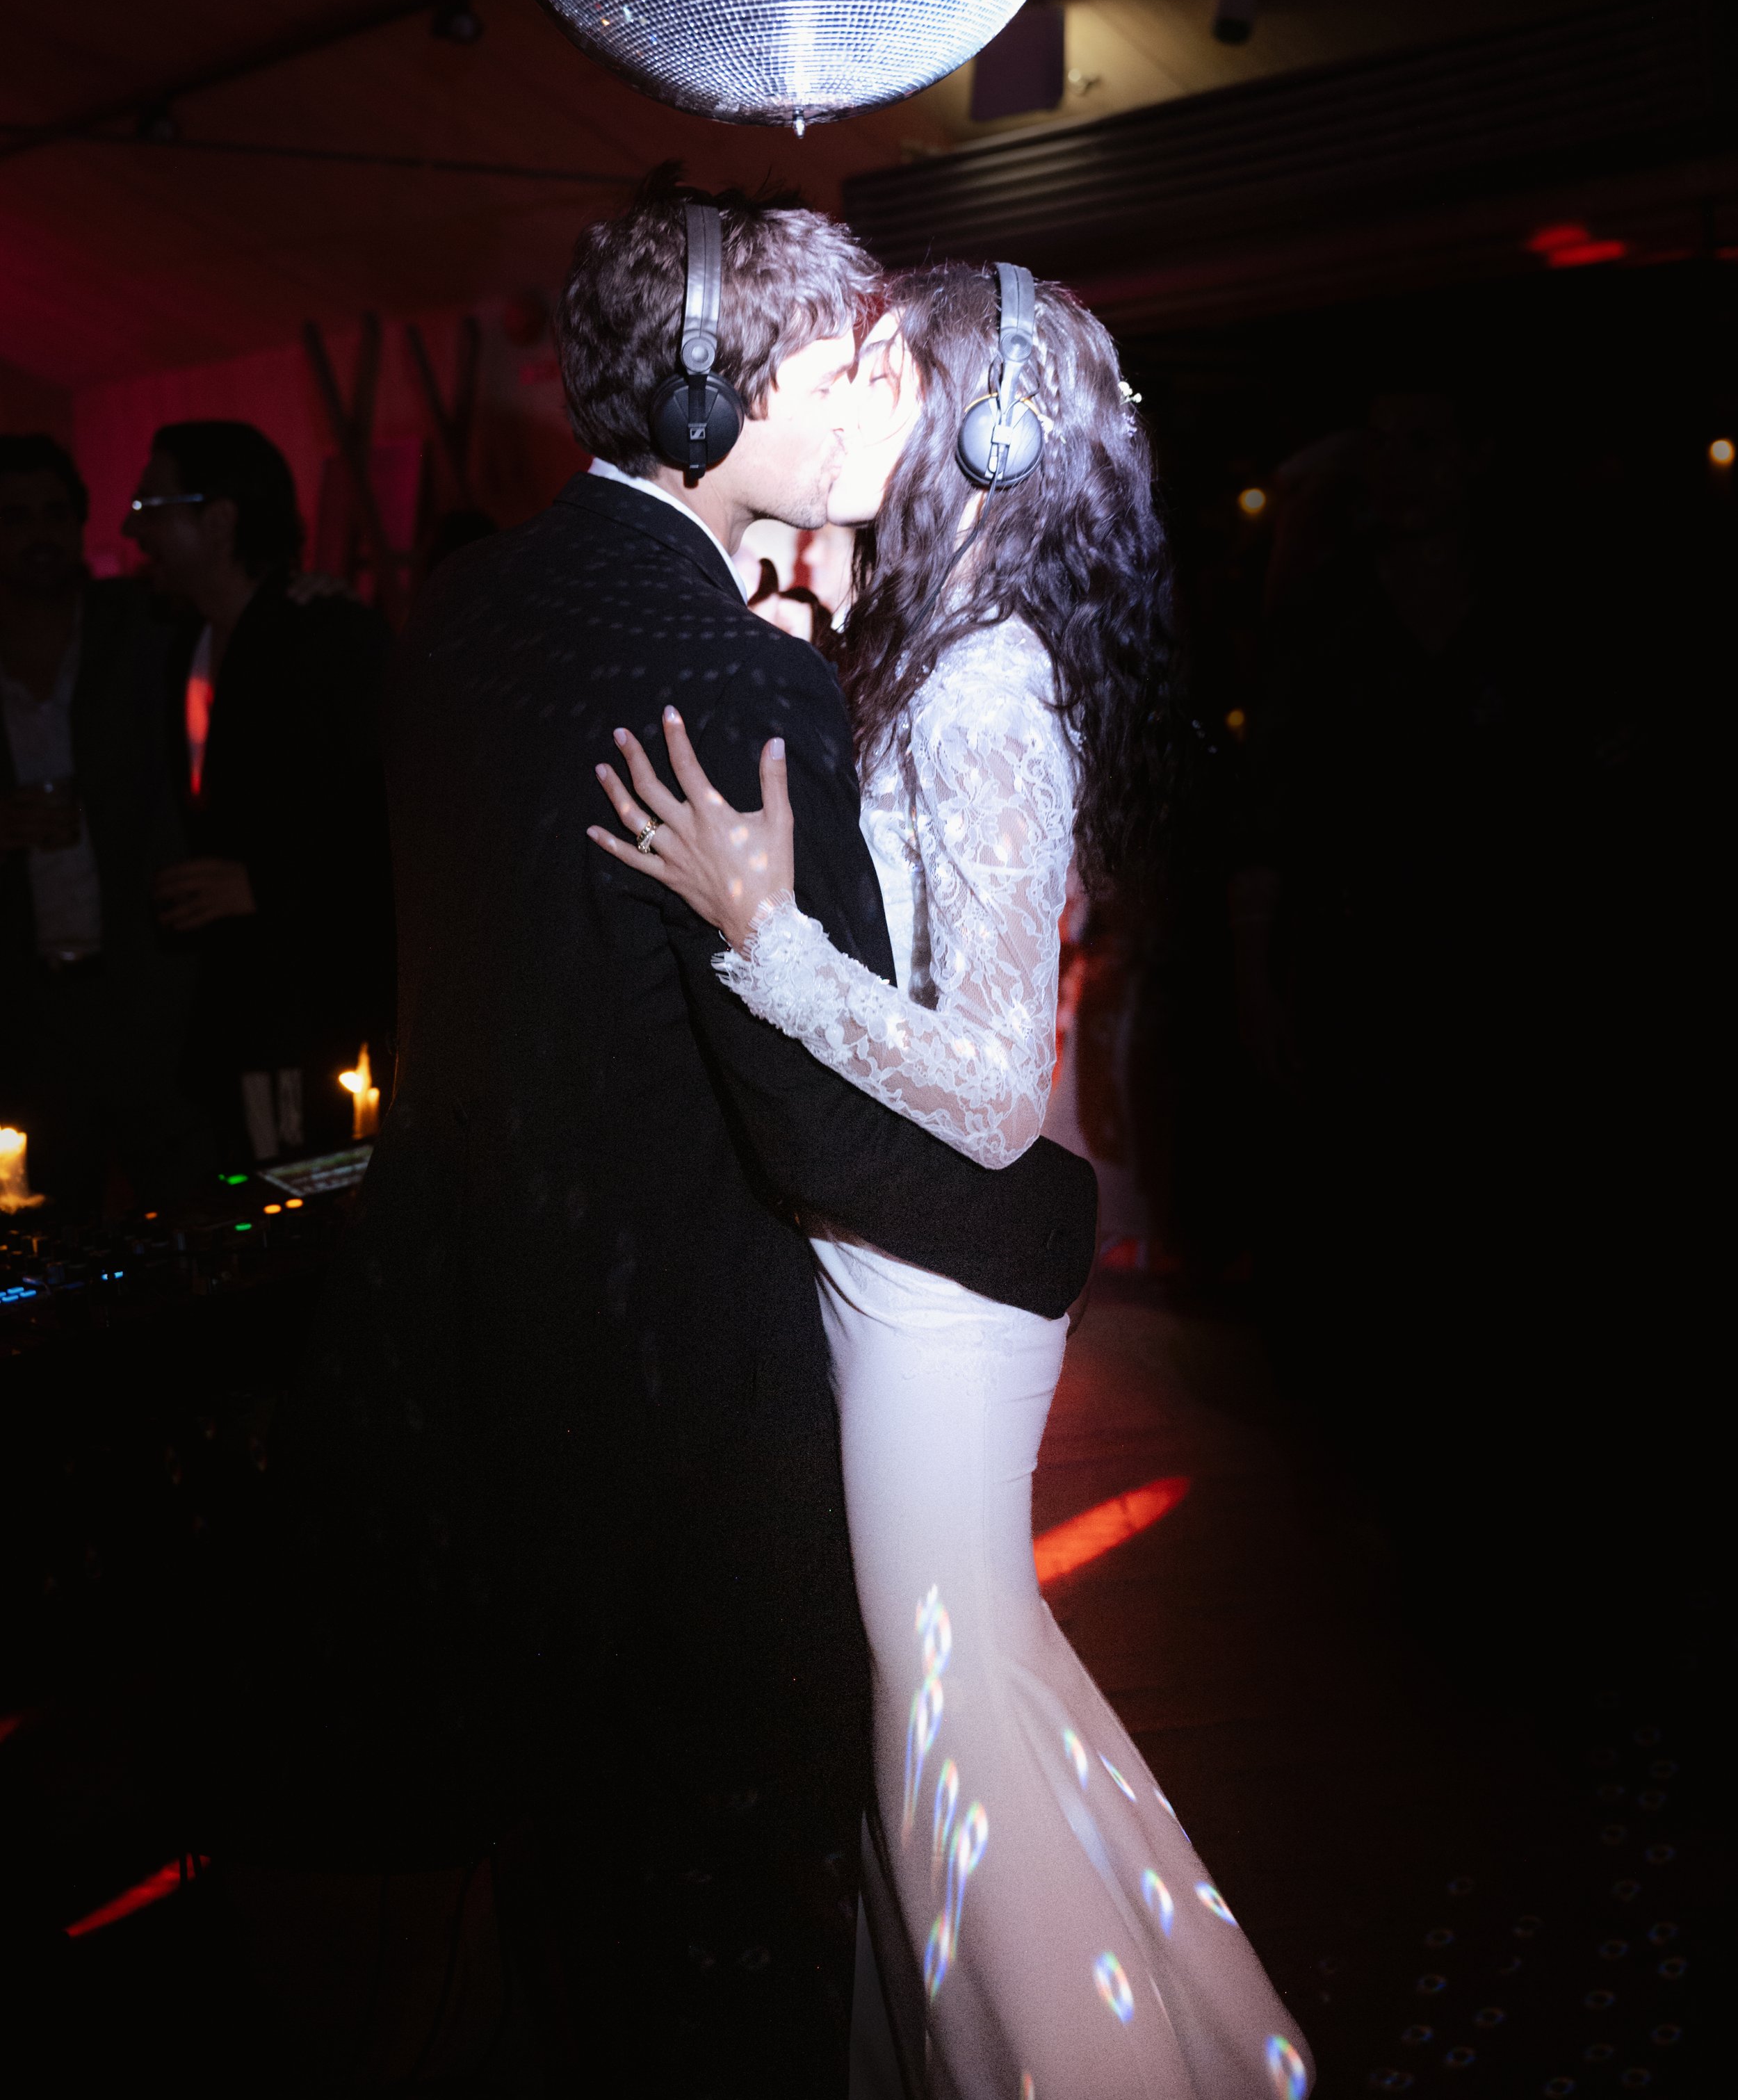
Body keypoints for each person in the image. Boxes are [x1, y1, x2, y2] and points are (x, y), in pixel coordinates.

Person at [277, 186, 1098, 2096]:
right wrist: (1043, 1221)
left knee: (568, 1928)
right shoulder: (741, 672)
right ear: (733, 386)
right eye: (840, 367)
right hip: (679, 1432)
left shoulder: (463, 601)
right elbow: (809, 1114)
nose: (865, 407)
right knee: (718, 1947)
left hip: (473, 1372)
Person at [594, 270, 1313, 2099]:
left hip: (935, 1282)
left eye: (886, 367)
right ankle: (1184, 2039)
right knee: (972, 1672)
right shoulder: (952, 643)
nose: (849, 392)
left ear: (984, 432)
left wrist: (763, 933)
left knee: (943, 1705)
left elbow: (994, 1089)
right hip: (899, 1265)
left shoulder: (988, 681)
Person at [126, 422, 393, 1162]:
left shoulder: (331, 640)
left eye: (152, 507)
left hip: (317, 1017)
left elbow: (393, 824)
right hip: (234, 1019)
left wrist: (264, 887)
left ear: (218, 522)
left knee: (307, 1218)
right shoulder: (180, 640)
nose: (130, 528)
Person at [0, 432, 206, 1214]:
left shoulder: (141, 626)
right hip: (24, 1003)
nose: (39, 533)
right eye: (14, 517)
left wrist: (305, 593)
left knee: (187, 1206)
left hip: (145, 987)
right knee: (48, 1222)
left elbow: (239, 614)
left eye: (55, 512)